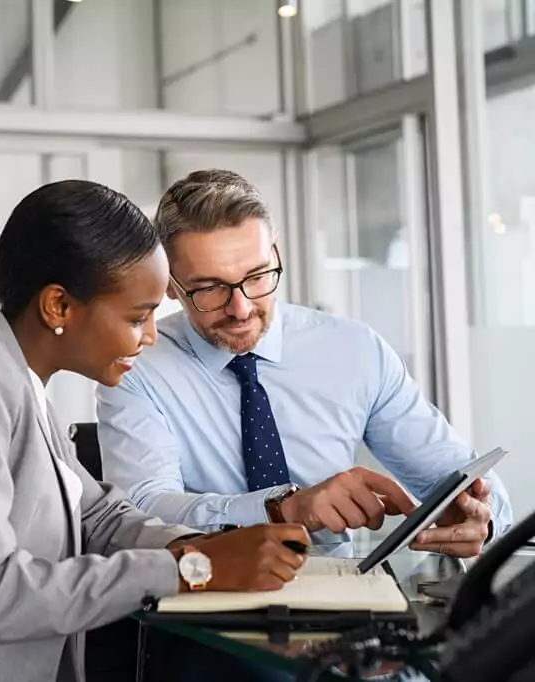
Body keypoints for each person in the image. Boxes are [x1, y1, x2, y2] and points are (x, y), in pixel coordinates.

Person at [0, 180, 311, 682]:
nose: (148, 336)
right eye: (137, 316)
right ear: (58, 306)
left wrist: (202, 547)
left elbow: (97, 515)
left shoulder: (19, 377)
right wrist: (189, 569)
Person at [96, 169, 512, 557]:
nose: (240, 308)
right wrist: (283, 510)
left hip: (348, 605)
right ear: (170, 284)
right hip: (202, 609)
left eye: (258, 276)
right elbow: (142, 513)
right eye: (209, 288)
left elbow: (461, 475)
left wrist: (480, 517)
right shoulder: (136, 366)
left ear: (275, 253)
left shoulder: (354, 350)